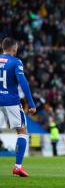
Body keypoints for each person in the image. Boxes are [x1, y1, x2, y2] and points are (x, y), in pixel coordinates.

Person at [0, 37, 36, 177]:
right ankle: (17, 166)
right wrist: (31, 104)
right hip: (11, 102)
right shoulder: (16, 62)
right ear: (14, 49)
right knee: (22, 132)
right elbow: (23, 83)